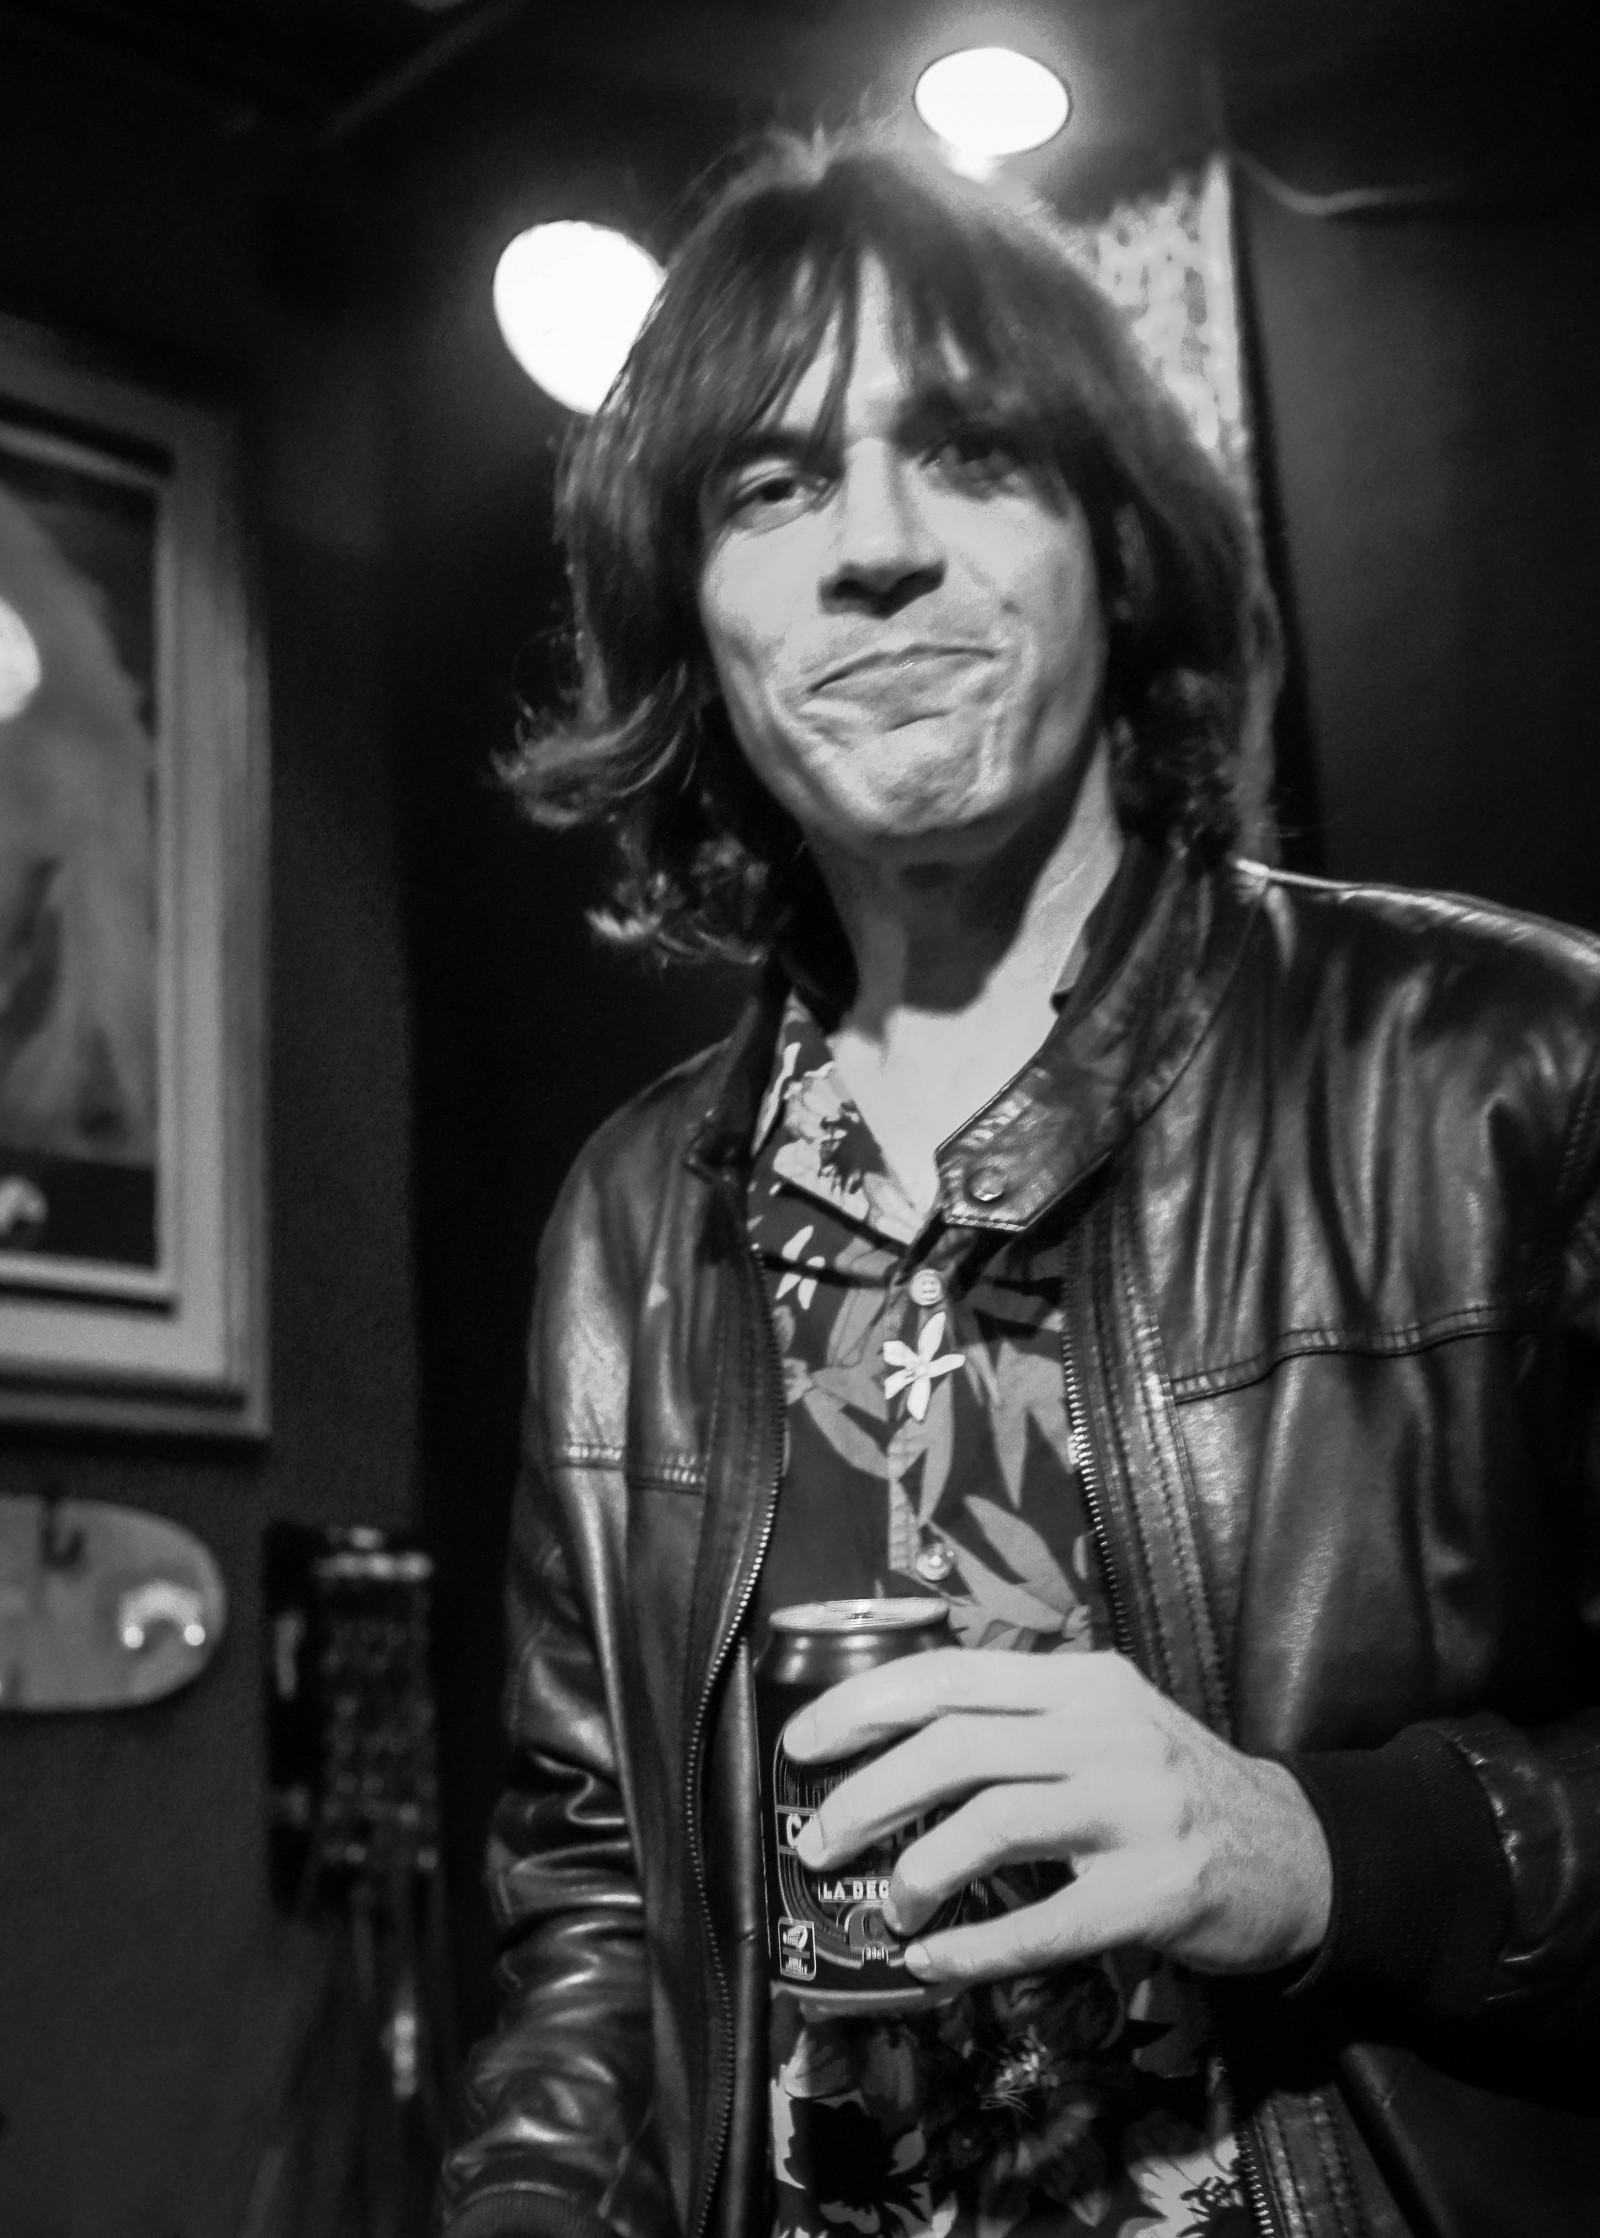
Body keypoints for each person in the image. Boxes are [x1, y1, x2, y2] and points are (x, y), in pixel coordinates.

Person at [436, 130, 1600, 2238]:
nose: (874, 547)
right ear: (693, 618)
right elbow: (595, 1910)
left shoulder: (1507, 1069)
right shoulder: (626, 1225)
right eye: (772, 485)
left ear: (1116, 548)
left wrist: (1320, 1852)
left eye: (969, 455)